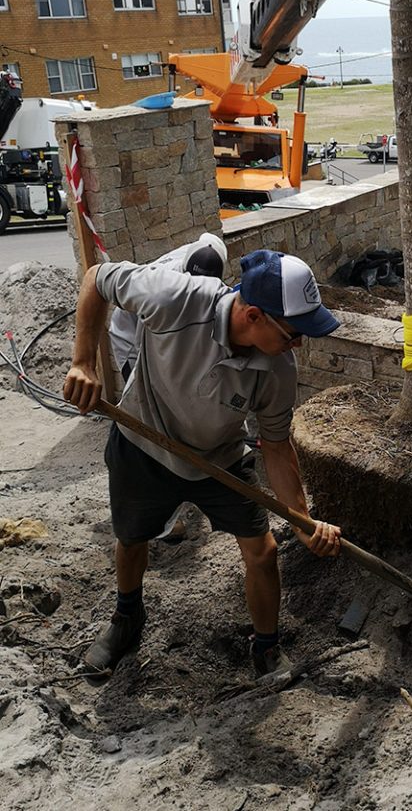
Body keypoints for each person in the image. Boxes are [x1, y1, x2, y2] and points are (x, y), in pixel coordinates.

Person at [63, 249, 342, 683]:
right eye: (293, 333)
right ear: (253, 315)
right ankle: (126, 618)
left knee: (263, 551)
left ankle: (267, 647)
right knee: (132, 538)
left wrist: (303, 521)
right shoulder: (176, 298)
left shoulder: (277, 369)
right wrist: (83, 362)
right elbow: (97, 278)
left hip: (220, 460)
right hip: (142, 445)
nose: (298, 344)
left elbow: (275, 445)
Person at [109, 232, 228, 381]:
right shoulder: (160, 286)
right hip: (128, 336)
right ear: (184, 272)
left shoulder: (207, 259)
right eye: (193, 287)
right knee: (140, 388)